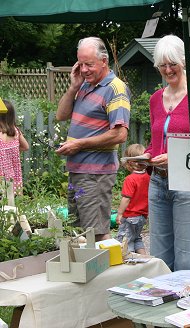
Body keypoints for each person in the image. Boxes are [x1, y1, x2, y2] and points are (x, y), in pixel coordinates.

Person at [143, 35, 190, 271]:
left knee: (189, 260)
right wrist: (145, 157)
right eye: (162, 65)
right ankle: (165, 306)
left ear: (184, 62)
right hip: (158, 183)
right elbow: (156, 143)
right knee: (160, 258)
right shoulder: (156, 99)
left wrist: (175, 158)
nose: (168, 70)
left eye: (172, 64)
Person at [56, 36, 131, 242]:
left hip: (95, 175)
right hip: (78, 171)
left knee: (97, 233)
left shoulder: (115, 89)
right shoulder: (84, 85)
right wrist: (73, 87)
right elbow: (61, 115)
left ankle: (107, 273)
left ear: (104, 61)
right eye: (80, 64)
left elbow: (119, 134)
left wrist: (78, 144)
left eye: (89, 64)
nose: (84, 69)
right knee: (79, 231)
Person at [115, 144, 150, 255]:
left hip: (130, 216)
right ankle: (145, 259)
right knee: (136, 238)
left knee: (126, 241)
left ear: (129, 162)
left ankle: (130, 263)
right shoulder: (149, 177)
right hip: (142, 216)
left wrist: (120, 213)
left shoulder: (130, 179)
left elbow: (126, 198)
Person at [0, 99, 29, 194]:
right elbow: (26, 147)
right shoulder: (16, 132)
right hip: (13, 174)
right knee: (13, 203)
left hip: (1, 177)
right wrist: (13, 150)